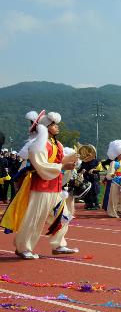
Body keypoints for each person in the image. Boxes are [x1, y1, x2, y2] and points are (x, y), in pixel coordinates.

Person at [0, 111, 78, 258]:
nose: (57, 127)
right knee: (34, 219)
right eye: (54, 124)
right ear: (46, 127)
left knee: (64, 216)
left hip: (55, 187)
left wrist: (74, 158)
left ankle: (59, 244)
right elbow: (42, 166)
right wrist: (62, 167)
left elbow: (60, 161)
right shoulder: (38, 145)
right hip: (41, 187)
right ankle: (23, 248)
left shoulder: (57, 144)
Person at [104, 140, 121, 218]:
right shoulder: (113, 163)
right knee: (114, 198)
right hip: (115, 182)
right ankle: (112, 212)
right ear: (117, 154)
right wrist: (111, 175)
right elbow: (109, 174)